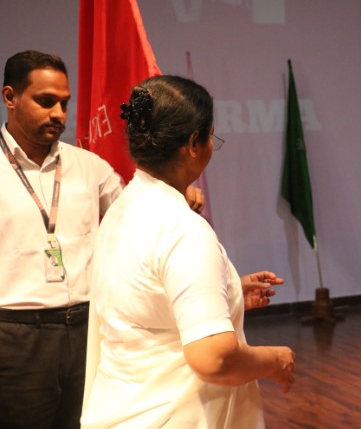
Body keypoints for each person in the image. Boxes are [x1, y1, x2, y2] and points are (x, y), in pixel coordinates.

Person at [0, 50, 204, 429]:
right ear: (10, 97)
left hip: (87, 327)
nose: (59, 114)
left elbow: (138, 213)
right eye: (46, 101)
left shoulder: (89, 166)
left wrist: (178, 192)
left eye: (64, 103)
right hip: (15, 336)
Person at [80, 74, 296, 429]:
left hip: (122, 410)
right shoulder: (183, 229)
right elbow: (214, 359)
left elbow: (140, 303)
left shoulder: (121, 210)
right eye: (211, 137)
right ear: (194, 143)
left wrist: (229, 292)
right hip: (174, 416)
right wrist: (274, 358)